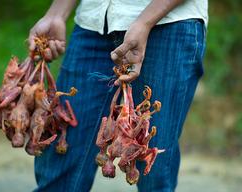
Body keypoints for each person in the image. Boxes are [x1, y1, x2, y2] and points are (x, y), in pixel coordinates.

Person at [28, 0, 208, 191]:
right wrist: (57, 13)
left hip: (168, 23)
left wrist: (144, 22)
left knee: (153, 168)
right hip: (95, 20)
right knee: (62, 155)